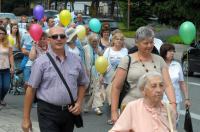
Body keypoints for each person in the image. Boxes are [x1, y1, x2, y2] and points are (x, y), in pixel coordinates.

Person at [21, 26, 89, 132]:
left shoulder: (76, 59)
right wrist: (26, 118)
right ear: (49, 40)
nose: (59, 39)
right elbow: (31, 90)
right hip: (47, 112)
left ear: (66, 39)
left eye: (62, 36)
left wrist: (79, 103)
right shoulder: (40, 62)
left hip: (69, 112)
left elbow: (82, 83)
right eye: (54, 36)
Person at [111, 26, 176, 123]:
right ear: (137, 43)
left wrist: (173, 104)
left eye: (151, 42)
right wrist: (114, 111)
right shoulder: (127, 60)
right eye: (145, 43)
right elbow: (116, 87)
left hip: (155, 110)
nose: (149, 46)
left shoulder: (159, 60)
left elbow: (168, 85)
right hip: (131, 108)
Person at [109, 71, 177, 132]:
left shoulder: (168, 109)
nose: (159, 90)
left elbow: (173, 129)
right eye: (154, 86)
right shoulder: (133, 107)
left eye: (161, 85)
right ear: (143, 90)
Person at [160, 43, 191, 124]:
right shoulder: (158, 64)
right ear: (164, 52)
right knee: (162, 124)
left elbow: (182, 83)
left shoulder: (177, 65)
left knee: (174, 123)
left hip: (175, 100)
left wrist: (187, 99)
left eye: (173, 51)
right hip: (160, 100)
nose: (172, 53)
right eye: (170, 51)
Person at [103, 32, 128, 124]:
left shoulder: (125, 51)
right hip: (108, 77)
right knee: (109, 97)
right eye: (117, 39)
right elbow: (103, 63)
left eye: (121, 39)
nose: (119, 41)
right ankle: (110, 117)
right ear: (113, 40)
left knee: (119, 97)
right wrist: (101, 75)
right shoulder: (108, 50)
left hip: (120, 78)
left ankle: (119, 116)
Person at [83, 33, 104, 115]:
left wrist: (102, 74)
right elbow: (83, 61)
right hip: (87, 71)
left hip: (97, 72)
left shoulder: (99, 49)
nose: (95, 43)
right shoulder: (85, 48)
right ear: (89, 41)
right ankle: (86, 106)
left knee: (97, 89)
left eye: (97, 41)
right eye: (93, 41)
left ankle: (97, 107)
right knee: (88, 90)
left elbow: (102, 61)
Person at [0, 26, 14, 106]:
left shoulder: (8, 43)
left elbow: (11, 55)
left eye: (3, 33)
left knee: (6, 87)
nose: (1, 35)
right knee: (0, 86)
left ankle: (1, 98)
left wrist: (12, 66)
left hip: (6, 68)